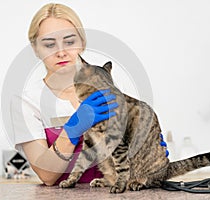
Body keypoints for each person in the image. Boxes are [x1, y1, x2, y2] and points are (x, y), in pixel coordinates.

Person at [11, 3, 168, 186]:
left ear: (82, 44)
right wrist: (72, 130)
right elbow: (46, 176)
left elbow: (125, 147)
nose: (61, 52)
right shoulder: (26, 102)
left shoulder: (110, 86)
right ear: (36, 49)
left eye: (69, 42)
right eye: (49, 44)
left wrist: (148, 147)